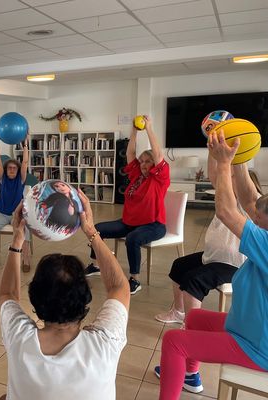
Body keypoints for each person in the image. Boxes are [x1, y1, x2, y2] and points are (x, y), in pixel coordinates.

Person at [156, 131, 268, 399]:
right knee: (195, 317)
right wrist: (237, 156)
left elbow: (229, 212)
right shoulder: (264, 232)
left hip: (257, 346)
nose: (253, 216)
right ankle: (191, 376)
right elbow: (252, 204)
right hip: (247, 326)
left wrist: (225, 164)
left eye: (258, 218)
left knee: (174, 341)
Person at [0, 191, 130, 400]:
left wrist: (17, 240)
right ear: (86, 297)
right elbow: (119, 287)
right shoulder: (106, 342)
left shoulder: (18, 337)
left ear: (34, 297)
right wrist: (91, 231)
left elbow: (7, 294)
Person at [155, 157, 262, 325]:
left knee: (194, 280)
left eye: (233, 178)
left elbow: (250, 197)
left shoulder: (252, 206)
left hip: (234, 264)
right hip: (212, 257)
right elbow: (215, 175)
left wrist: (238, 157)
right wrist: (213, 151)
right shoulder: (227, 200)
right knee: (179, 266)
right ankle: (179, 312)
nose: (227, 180)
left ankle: (191, 325)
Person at [85, 115, 169, 294]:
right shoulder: (137, 175)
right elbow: (130, 153)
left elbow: (159, 154)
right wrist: (133, 131)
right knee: (96, 229)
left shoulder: (159, 179)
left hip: (153, 225)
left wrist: (149, 128)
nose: (144, 164)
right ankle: (95, 265)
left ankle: (135, 279)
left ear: (155, 164)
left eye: (148, 161)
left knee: (133, 239)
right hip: (129, 223)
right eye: (143, 161)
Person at [0, 131, 31, 272]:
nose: (12, 170)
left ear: (18, 170)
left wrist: (26, 143)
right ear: (6, 169)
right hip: (1, 213)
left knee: (25, 231)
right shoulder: (2, 179)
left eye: (14, 168)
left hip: (18, 215)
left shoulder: (20, 180)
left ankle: (25, 260)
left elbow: (25, 161)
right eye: (9, 168)